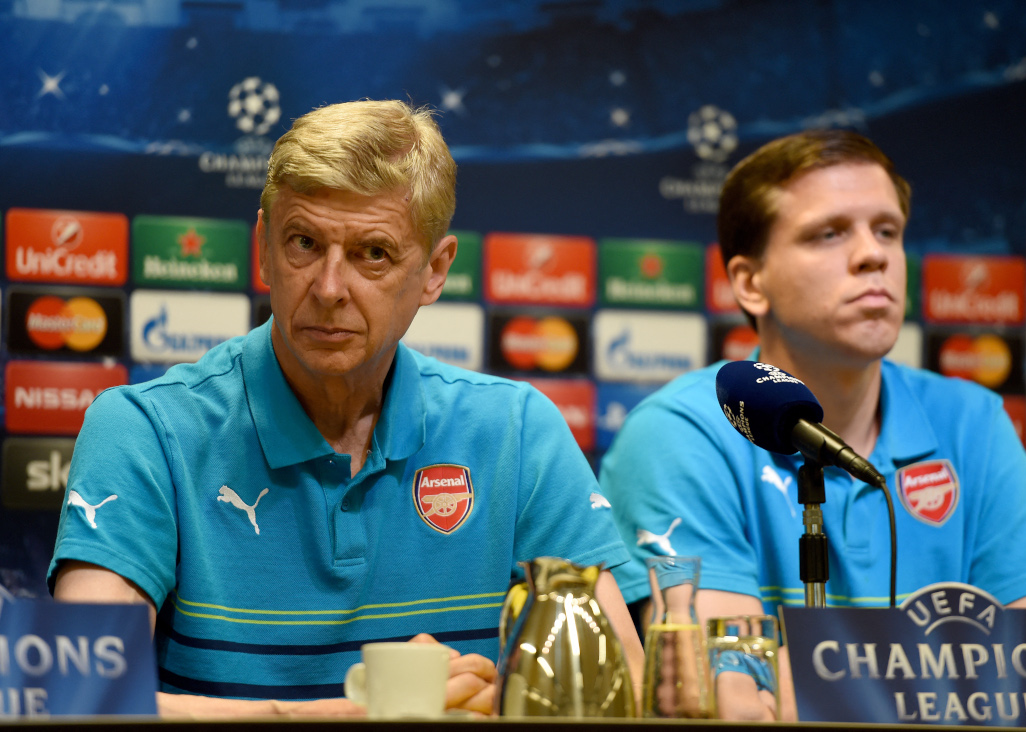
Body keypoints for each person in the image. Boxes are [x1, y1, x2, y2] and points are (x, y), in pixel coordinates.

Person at [49, 99, 643, 718]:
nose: (330, 289)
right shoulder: (143, 430)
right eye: (304, 243)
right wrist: (352, 716)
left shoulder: (518, 432)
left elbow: (620, 685)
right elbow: (76, 697)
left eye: (373, 254)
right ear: (263, 247)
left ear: (435, 272)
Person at [598, 129, 1026, 720]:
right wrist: (958, 678)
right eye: (829, 234)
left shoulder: (971, 420)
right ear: (751, 283)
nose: (872, 255)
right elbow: (733, 696)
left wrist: (819, 677)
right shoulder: (682, 431)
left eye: (887, 231)